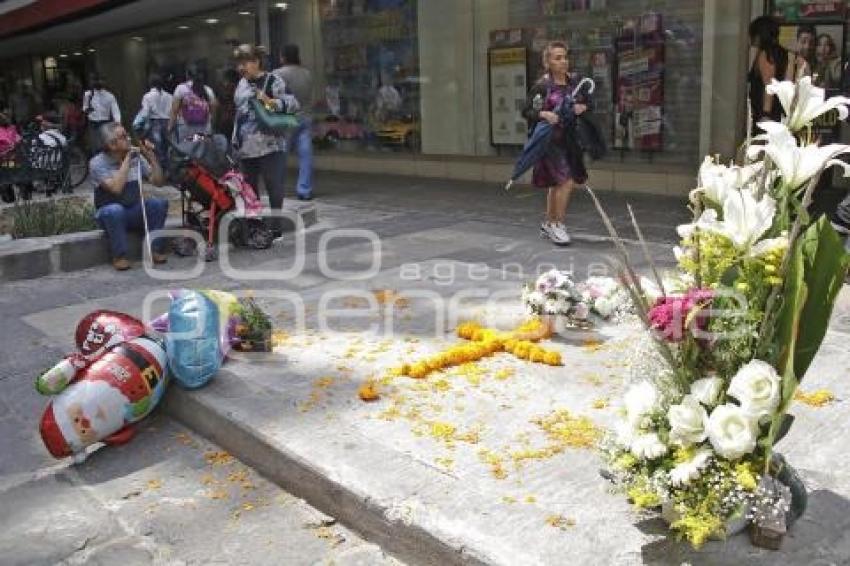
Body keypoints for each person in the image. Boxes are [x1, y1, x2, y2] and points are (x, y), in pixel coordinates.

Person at [521, 41, 589, 246]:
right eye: (557, 58)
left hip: (569, 140)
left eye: (565, 57)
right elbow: (526, 111)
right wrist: (544, 113)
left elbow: (588, 102)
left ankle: (549, 223)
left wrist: (582, 107)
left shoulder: (574, 82)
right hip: (550, 141)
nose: (563, 61)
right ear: (547, 62)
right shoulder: (542, 86)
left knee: (555, 183)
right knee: (565, 181)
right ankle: (558, 225)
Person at [232, 44, 299, 237]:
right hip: (246, 147)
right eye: (239, 64)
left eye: (244, 63)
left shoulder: (273, 80)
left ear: (256, 62)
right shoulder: (241, 84)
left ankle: (275, 227)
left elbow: (293, 103)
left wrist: (270, 102)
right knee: (249, 189)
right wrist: (235, 140)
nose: (241, 68)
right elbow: (240, 114)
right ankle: (255, 226)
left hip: (271, 145)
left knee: (273, 185)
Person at [89, 122, 168, 270]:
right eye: (124, 136)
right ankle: (119, 256)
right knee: (115, 210)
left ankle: (154, 249)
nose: (129, 139)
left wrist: (152, 158)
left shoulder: (136, 158)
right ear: (112, 145)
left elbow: (158, 182)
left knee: (159, 203)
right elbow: (116, 188)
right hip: (109, 213)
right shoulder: (97, 163)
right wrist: (126, 160)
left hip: (133, 209)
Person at [274, 44, 315, 201]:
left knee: (279, 156)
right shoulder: (307, 74)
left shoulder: (278, 74)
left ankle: (277, 188)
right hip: (305, 118)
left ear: (283, 56)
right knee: (306, 156)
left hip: (286, 119)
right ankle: (305, 190)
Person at [747, 16, 792, 132]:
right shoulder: (785, 54)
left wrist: (765, 114)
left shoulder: (766, 54)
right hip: (780, 112)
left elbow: (769, 85)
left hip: (767, 115)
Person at [170, 66, 217, 142]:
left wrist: (170, 127)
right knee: (202, 150)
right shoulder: (208, 89)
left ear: (187, 75)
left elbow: (174, 110)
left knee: (187, 150)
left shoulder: (180, 88)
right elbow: (214, 109)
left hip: (186, 128)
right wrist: (212, 125)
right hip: (204, 128)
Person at [138, 75, 173, 169]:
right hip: (167, 122)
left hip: (155, 123)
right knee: (167, 148)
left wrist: (142, 127)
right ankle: (168, 171)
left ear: (150, 84)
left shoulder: (147, 96)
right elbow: (172, 111)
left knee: (156, 148)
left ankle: (159, 170)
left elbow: (145, 113)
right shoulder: (169, 96)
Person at [83, 75, 121, 155]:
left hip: (105, 123)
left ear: (104, 82)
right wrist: (89, 108)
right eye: (96, 80)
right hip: (93, 123)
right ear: (92, 82)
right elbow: (85, 108)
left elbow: (115, 110)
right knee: (95, 145)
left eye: (101, 80)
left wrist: (118, 122)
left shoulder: (110, 96)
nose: (98, 82)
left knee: (106, 144)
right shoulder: (88, 94)